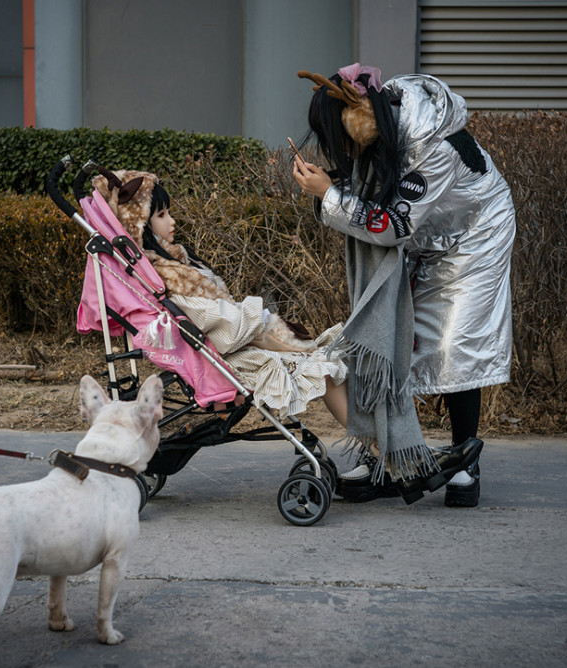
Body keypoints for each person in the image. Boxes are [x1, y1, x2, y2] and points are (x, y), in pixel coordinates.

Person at [292, 63, 516, 507]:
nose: (340, 149)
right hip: (424, 236)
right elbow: (388, 209)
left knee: (455, 346)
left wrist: (329, 197)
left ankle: (464, 462)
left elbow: (393, 223)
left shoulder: (435, 146)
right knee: (392, 336)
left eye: (338, 138)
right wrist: (334, 188)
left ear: (359, 120)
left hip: (475, 237)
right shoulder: (386, 128)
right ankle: (387, 456)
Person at [90, 167, 349, 425]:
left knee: (334, 360)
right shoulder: (168, 277)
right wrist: (260, 317)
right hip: (229, 357)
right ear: (140, 226)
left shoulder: (176, 263)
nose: (172, 221)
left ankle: (372, 448)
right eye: (161, 214)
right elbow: (219, 324)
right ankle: (373, 450)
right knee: (326, 367)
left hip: (236, 345)